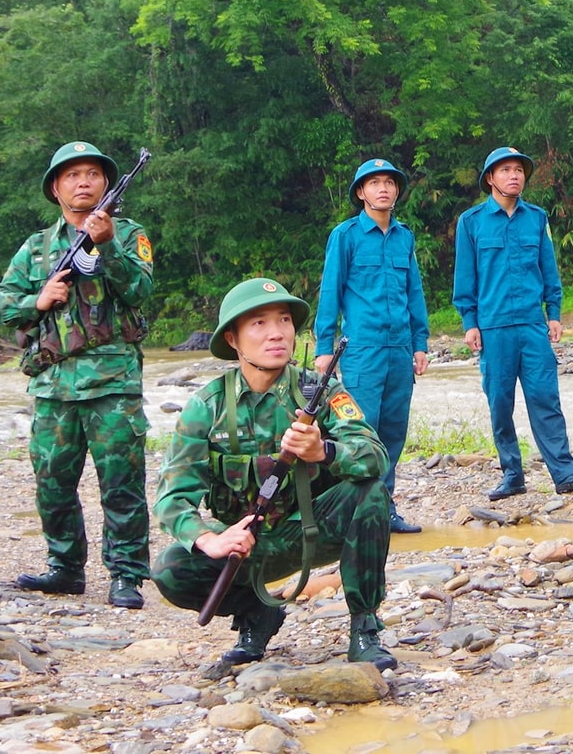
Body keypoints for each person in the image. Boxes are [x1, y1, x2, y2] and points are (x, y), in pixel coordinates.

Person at [152, 277, 396, 678]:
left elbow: (374, 455)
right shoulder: (207, 407)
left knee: (370, 492)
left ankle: (365, 627)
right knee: (170, 569)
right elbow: (171, 496)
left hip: (312, 530)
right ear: (233, 339)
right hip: (246, 546)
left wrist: (325, 452)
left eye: (284, 320)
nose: (276, 333)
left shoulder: (320, 389)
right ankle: (257, 614)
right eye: (259, 323)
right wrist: (210, 538)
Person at [0, 141, 154, 609]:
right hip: (53, 383)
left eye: (93, 174)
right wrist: (36, 301)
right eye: (73, 175)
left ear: (106, 184)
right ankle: (64, 569)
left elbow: (141, 290)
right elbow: (0, 304)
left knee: (121, 481)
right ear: (56, 188)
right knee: (52, 482)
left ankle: (126, 575)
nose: (84, 182)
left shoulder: (128, 234)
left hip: (113, 383)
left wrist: (107, 247)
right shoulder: (37, 247)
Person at [453, 146, 573, 500]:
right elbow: (465, 279)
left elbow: (549, 270)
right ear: (490, 178)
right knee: (500, 403)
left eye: (518, 170)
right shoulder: (471, 223)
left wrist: (555, 314)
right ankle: (512, 474)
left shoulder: (536, 218)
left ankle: (564, 472)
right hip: (493, 327)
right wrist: (470, 322)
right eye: (505, 170)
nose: (514, 175)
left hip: (533, 326)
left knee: (545, 399)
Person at [314, 157, 431, 534]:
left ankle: (385, 508)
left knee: (394, 430)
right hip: (362, 348)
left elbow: (414, 292)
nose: (384, 188)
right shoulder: (345, 236)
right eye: (374, 182)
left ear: (397, 190)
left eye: (390, 183)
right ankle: (354, 510)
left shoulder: (405, 237)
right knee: (362, 430)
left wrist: (420, 342)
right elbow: (330, 291)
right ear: (361, 192)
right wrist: (323, 346)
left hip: (399, 348)